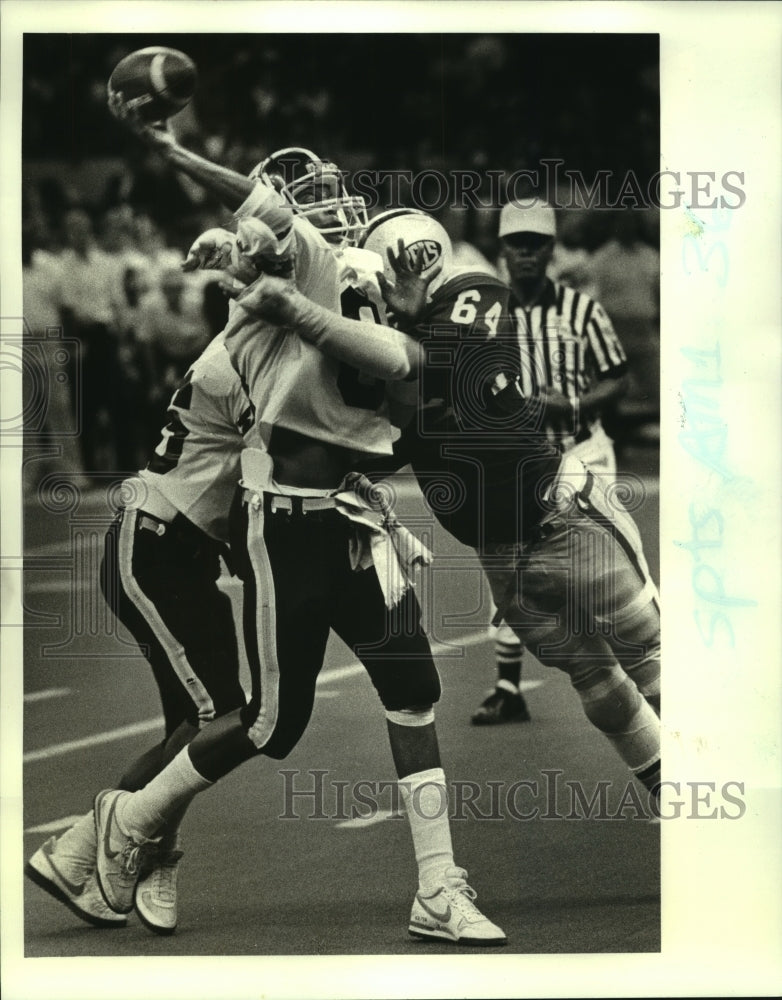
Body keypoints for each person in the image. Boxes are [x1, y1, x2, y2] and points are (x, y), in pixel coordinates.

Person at [39, 104, 507, 946]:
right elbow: (312, 412)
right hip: (240, 526)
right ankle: (121, 829)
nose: (342, 226)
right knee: (259, 719)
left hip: (328, 518)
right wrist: (179, 158)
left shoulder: (327, 298)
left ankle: (437, 884)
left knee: (410, 689)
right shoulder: (297, 294)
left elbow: (371, 396)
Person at [242, 209, 661, 817]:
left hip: (560, 515)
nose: (375, 296)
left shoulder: (476, 292)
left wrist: (304, 314)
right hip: (501, 556)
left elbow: (427, 360)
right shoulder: (396, 360)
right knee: (596, 683)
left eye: (381, 280)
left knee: (651, 654)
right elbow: (381, 434)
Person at [472, 199, 630, 726]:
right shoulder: (489, 316)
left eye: (537, 243)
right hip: (522, 462)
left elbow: (617, 373)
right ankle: (507, 687)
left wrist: (575, 403)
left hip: (581, 449)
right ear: (503, 249)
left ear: (551, 248)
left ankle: (640, 661)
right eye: (517, 243)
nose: (526, 254)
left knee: (607, 567)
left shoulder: (581, 310)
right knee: (515, 571)